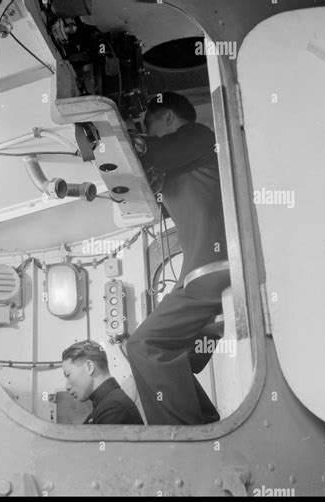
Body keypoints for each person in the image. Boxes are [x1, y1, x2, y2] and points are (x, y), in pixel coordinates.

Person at [125, 92, 228, 425]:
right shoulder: (188, 160)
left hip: (210, 273)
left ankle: (186, 438)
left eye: (151, 126)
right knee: (181, 359)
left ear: (169, 118)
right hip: (204, 276)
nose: (151, 134)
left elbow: (154, 152)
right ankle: (208, 427)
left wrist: (125, 136)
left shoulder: (199, 136)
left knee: (142, 344)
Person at [62, 340, 144, 425]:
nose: (67, 386)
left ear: (89, 367)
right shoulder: (106, 405)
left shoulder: (113, 408)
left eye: (68, 375)